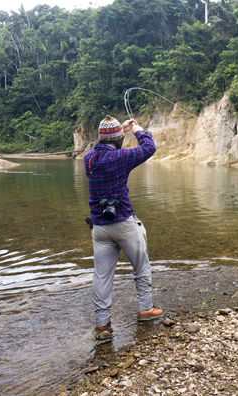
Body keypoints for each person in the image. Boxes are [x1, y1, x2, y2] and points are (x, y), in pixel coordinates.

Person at [84, 115, 163, 333]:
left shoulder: (88, 159)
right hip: (125, 224)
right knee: (141, 267)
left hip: (99, 227)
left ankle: (102, 323)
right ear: (118, 139)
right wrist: (136, 129)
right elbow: (149, 147)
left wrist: (120, 130)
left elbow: (103, 146)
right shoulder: (121, 157)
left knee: (101, 277)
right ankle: (145, 309)